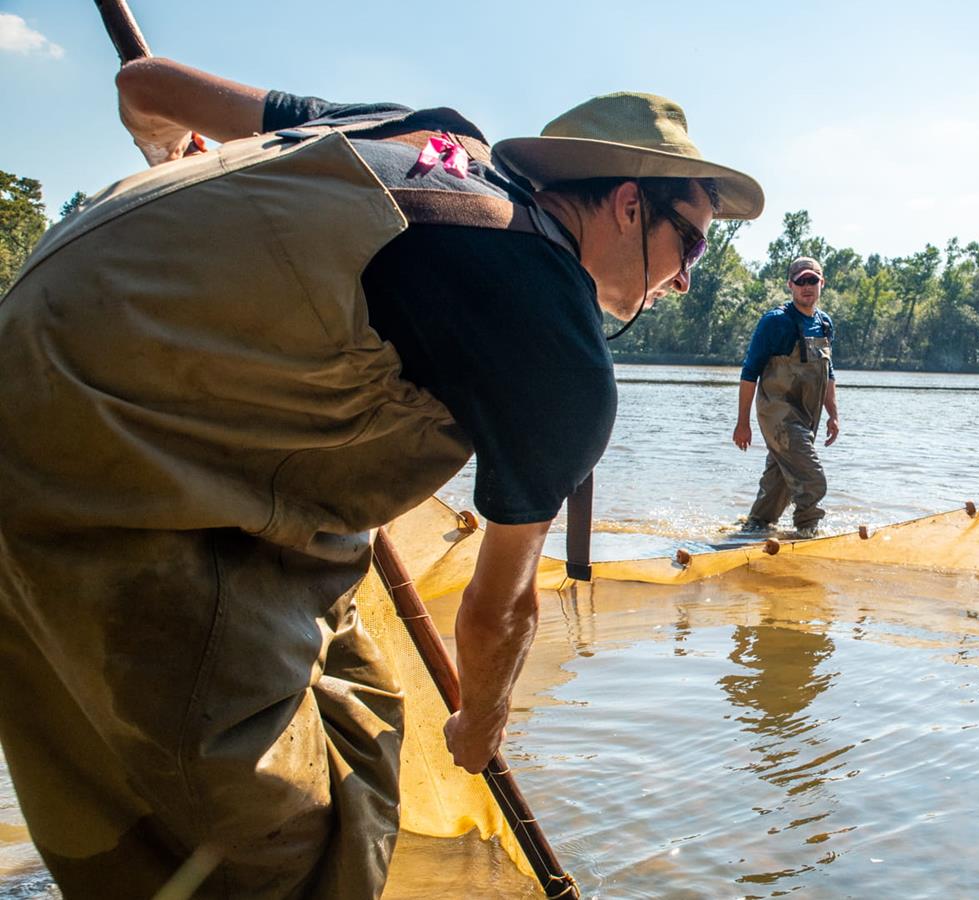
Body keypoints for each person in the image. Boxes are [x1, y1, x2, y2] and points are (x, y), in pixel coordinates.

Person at [0, 56, 761, 898]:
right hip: (93, 437)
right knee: (271, 843)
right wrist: (482, 723)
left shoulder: (415, 131)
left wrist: (173, 166)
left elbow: (144, 89)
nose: (687, 275)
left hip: (69, 337)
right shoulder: (561, 354)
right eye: (689, 240)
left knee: (363, 705)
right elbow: (499, 607)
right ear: (626, 204)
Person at [731, 257, 840, 536]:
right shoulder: (775, 322)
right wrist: (743, 422)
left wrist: (834, 415)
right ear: (790, 285)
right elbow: (749, 372)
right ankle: (807, 532)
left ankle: (754, 528)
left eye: (812, 280)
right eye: (800, 281)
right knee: (812, 479)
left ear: (821, 283)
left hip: (807, 416)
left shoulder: (824, 323)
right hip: (777, 415)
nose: (807, 286)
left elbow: (828, 373)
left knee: (778, 481)